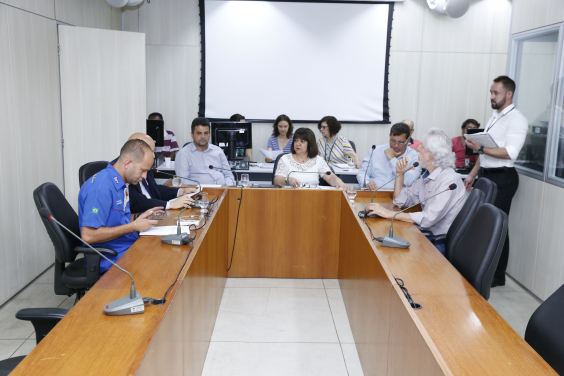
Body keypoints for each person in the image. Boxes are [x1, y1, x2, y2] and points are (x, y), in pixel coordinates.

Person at [465, 75, 527, 287]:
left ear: (508, 94)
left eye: (496, 93)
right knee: (484, 223)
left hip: (503, 177)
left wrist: (480, 148)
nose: (492, 96)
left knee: (497, 225)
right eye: (491, 92)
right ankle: (482, 269)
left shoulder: (516, 119)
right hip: (486, 175)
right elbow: (486, 152)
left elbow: (510, 152)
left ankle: (496, 275)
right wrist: (473, 174)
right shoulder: (494, 117)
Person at [366, 129, 466, 255]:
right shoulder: (427, 175)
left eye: (422, 146)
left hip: (437, 242)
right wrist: (400, 174)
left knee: (389, 253)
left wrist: (388, 213)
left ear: (432, 154)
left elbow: (428, 218)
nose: (417, 148)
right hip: (424, 235)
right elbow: (401, 200)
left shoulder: (449, 180)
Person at [78, 139, 164, 272]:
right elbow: (88, 235)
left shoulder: (120, 182)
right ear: (128, 163)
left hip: (125, 245)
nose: (145, 176)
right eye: (143, 170)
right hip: (111, 257)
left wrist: (139, 217)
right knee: (165, 264)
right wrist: (134, 226)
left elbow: (116, 220)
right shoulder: (100, 188)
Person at [119, 133, 197, 213]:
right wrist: (170, 204)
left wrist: (180, 192)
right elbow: (136, 201)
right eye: (151, 151)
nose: (153, 156)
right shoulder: (123, 171)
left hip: (155, 214)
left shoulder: (144, 165)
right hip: (141, 216)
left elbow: (154, 188)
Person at [274, 127, 346, 189]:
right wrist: (287, 180)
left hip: (313, 197)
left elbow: (330, 177)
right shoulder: (285, 159)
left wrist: (336, 179)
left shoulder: (318, 160)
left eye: (302, 141)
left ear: (310, 144)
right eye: (296, 140)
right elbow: (277, 180)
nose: (298, 144)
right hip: (291, 197)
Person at [356, 122, 422, 190]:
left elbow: (409, 182)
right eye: (393, 141)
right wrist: (367, 183)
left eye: (401, 142)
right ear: (389, 136)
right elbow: (362, 173)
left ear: (408, 140)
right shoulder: (375, 150)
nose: (396, 145)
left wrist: (392, 159)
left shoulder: (415, 157)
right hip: (373, 193)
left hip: (398, 197)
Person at [175, 117, 235, 185]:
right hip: (198, 193)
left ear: (209, 134)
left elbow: (229, 175)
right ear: (192, 135)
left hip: (223, 190)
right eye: (199, 133)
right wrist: (202, 189)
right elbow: (183, 181)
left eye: (206, 133)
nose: (203, 137)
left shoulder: (218, 151)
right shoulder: (183, 154)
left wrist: (228, 188)